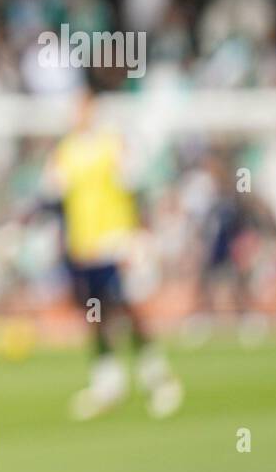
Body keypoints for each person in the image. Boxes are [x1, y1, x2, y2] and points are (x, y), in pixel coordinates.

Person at [41, 79, 183, 421]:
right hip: (83, 246)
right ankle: (108, 383)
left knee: (127, 308)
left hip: (116, 243)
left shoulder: (113, 145)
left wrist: (139, 237)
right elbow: (53, 198)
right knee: (95, 314)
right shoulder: (66, 152)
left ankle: (158, 377)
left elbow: (134, 189)